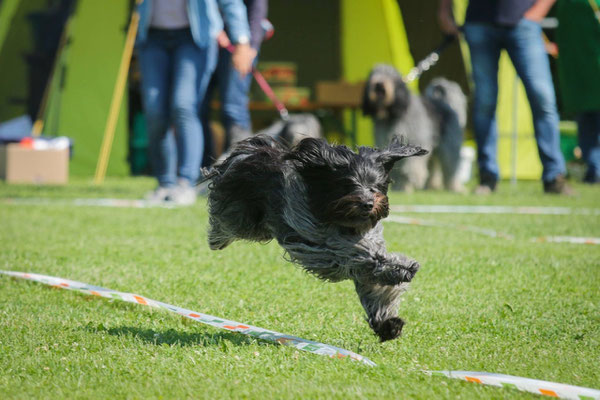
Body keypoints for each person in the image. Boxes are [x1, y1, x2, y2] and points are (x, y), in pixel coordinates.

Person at [438, 0, 572, 194]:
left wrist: (538, 12)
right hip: (479, 22)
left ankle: (554, 176)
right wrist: (444, 12)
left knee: (543, 99)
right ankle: (487, 177)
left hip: (524, 22)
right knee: (485, 102)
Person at [136, 0, 254, 205]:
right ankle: (165, 183)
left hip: (194, 38)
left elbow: (231, 3)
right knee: (155, 111)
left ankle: (185, 183)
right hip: (152, 37)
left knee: (183, 106)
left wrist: (242, 41)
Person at [202, 0, 268, 165]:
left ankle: (240, 166)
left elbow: (257, 9)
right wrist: (214, 28)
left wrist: (251, 47)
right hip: (202, 40)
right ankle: (203, 167)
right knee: (198, 108)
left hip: (240, 44)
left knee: (233, 108)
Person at [556, 0, 600, 184]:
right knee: (586, 120)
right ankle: (594, 169)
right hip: (578, 69)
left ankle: (594, 168)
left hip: (589, 66)